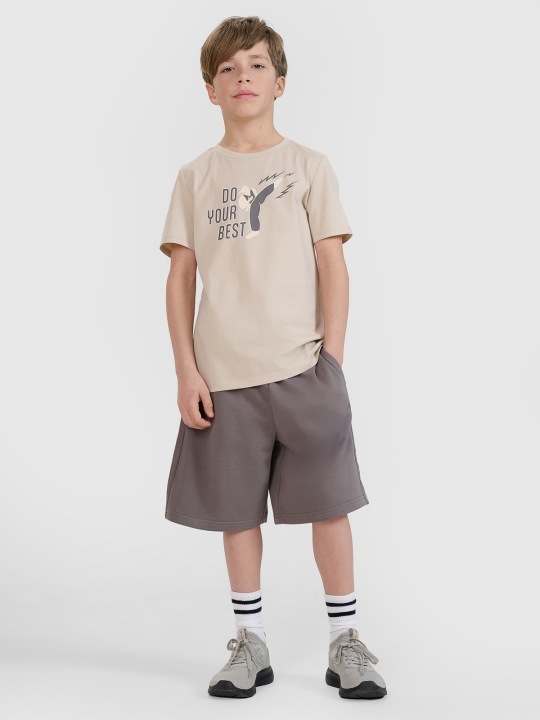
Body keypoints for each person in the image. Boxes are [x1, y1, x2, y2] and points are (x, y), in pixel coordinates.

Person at [159, 15, 387, 701]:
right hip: (225, 379)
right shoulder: (195, 177)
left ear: (279, 82)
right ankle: (249, 641)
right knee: (237, 514)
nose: (243, 77)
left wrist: (332, 364)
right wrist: (187, 371)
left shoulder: (308, 167)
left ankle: (345, 641)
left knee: (329, 507)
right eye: (227, 69)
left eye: (256, 65)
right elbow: (180, 278)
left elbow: (332, 266)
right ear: (210, 89)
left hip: (303, 372)